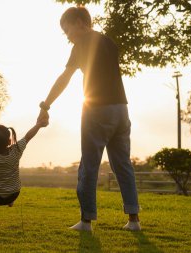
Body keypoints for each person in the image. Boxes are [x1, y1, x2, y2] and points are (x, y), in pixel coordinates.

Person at [37, 6, 140, 231]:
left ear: (80, 22)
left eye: (68, 29)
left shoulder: (81, 44)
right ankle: (134, 221)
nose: (68, 35)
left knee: (89, 165)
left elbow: (65, 77)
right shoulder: (108, 42)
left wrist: (46, 104)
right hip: (121, 109)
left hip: (97, 109)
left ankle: (86, 221)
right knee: (123, 165)